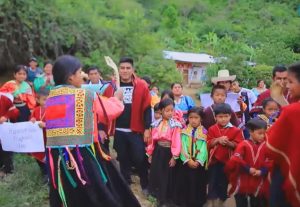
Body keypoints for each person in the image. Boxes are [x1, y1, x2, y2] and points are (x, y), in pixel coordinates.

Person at [45, 55, 140, 207]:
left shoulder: (50, 97)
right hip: (81, 155)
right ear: (70, 78)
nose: (82, 76)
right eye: (79, 73)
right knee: (95, 191)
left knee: (68, 192)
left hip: (58, 158)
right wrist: (117, 98)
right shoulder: (84, 96)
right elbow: (111, 110)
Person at [113, 57, 151, 194]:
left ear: (133, 70)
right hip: (119, 129)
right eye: (122, 68)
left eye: (128, 68)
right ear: (118, 69)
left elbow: (147, 108)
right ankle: (125, 183)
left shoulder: (141, 85)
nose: (125, 71)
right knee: (122, 158)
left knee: (140, 158)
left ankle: (145, 184)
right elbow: (105, 106)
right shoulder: (113, 86)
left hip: (136, 130)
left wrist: (147, 128)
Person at [267, 62, 300, 207]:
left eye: (290, 81)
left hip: (289, 171)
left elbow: (272, 143)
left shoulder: (292, 110)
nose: (286, 85)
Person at [226, 118, 270, 207]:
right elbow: (236, 159)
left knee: (257, 203)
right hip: (243, 179)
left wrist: (262, 171)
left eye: (264, 133)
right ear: (250, 132)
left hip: (258, 180)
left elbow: (269, 161)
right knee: (241, 202)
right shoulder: (243, 144)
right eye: (259, 133)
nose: (262, 136)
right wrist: (248, 169)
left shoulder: (266, 146)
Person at [207, 103, 244, 206]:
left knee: (223, 184)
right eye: (220, 117)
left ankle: (220, 203)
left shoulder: (236, 130)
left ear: (230, 116)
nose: (223, 119)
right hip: (214, 162)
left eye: (226, 116)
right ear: (215, 117)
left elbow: (240, 146)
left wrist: (229, 143)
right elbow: (207, 143)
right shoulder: (212, 129)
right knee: (212, 183)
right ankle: (212, 203)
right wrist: (217, 140)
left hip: (227, 163)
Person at [146, 98, 182, 206]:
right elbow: (152, 140)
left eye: (172, 110)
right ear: (161, 111)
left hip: (168, 152)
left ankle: (166, 198)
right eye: (167, 110)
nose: (170, 113)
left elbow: (176, 141)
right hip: (158, 151)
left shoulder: (176, 125)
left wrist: (174, 157)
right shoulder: (155, 124)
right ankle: (157, 196)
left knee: (167, 175)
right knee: (157, 173)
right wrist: (150, 153)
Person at [175, 107, 208, 207]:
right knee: (185, 183)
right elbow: (182, 146)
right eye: (191, 117)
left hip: (198, 164)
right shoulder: (184, 131)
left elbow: (204, 148)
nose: (193, 120)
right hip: (186, 163)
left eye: (196, 117)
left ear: (201, 119)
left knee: (198, 184)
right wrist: (188, 160)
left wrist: (199, 161)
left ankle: (197, 203)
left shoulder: (205, 133)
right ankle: (183, 203)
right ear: (188, 118)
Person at [29, 89, 49, 178]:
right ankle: (44, 173)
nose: (47, 102)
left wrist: (46, 125)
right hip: (38, 139)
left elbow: (57, 123)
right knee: (39, 156)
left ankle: (50, 174)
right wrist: (32, 120)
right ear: (38, 100)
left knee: (49, 157)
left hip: (49, 138)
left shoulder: (53, 110)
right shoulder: (36, 110)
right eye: (44, 99)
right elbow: (31, 121)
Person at [0, 93, 19, 176]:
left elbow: (14, 111)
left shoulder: (4, 99)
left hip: (3, 129)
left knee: (6, 149)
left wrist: (6, 116)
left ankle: (8, 170)